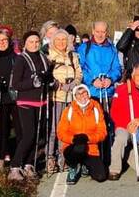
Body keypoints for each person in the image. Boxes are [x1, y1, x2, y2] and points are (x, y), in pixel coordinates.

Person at [8, 31, 54, 181]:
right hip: (26, 102)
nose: (34, 45)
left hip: (41, 101)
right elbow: (15, 84)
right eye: (31, 42)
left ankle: (28, 164)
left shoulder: (43, 57)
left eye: (36, 42)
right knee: (28, 135)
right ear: (25, 44)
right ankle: (15, 167)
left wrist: (50, 80)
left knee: (37, 136)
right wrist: (32, 82)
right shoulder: (21, 59)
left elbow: (46, 76)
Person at [47, 29, 83, 174]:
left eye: (64, 40)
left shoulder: (73, 55)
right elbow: (47, 76)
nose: (61, 43)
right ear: (53, 41)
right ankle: (50, 157)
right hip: (56, 97)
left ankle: (64, 157)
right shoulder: (49, 56)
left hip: (70, 97)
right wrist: (59, 85)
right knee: (55, 129)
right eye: (58, 40)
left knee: (67, 129)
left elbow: (79, 74)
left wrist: (73, 84)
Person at [57, 84, 108, 184]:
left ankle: (85, 164)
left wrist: (88, 138)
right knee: (79, 147)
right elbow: (61, 132)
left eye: (84, 92)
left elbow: (103, 132)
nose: (82, 96)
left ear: (88, 94)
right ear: (75, 96)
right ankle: (73, 166)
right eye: (78, 94)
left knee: (101, 176)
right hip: (72, 147)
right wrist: (73, 139)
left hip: (91, 148)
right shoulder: (69, 110)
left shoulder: (96, 109)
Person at [0, 28, 21, 171]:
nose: (2, 43)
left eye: (4, 40)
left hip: (15, 97)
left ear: (9, 41)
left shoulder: (16, 56)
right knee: (1, 129)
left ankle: (20, 157)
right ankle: (0, 157)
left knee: (20, 129)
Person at [78, 21, 122, 103]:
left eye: (103, 32)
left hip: (108, 93)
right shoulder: (84, 48)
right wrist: (92, 80)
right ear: (93, 31)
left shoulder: (112, 49)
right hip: (90, 93)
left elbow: (117, 68)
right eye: (97, 32)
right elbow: (79, 69)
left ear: (107, 32)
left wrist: (110, 79)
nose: (100, 35)